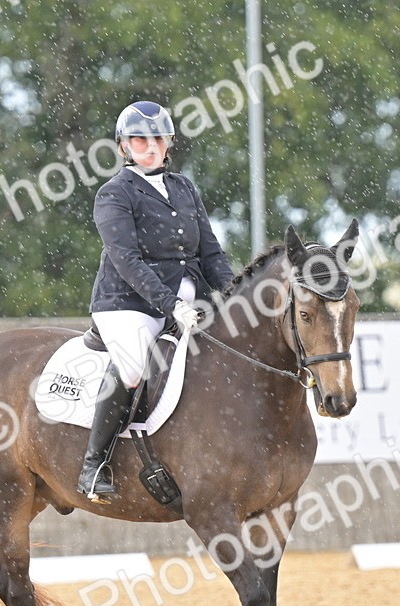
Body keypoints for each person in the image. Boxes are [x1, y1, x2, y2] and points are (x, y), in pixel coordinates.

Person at [77, 100, 235, 502]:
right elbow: (126, 260)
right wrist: (170, 305)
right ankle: (94, 465)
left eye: (157, 139)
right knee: (132, 368)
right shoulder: (114, 194)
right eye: (139, 140)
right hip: (128, 302)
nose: (149, 146)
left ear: (168, 143)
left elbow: (210, 253)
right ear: (123, 147)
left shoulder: (183, 187)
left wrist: (235, 295)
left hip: (188, 295)